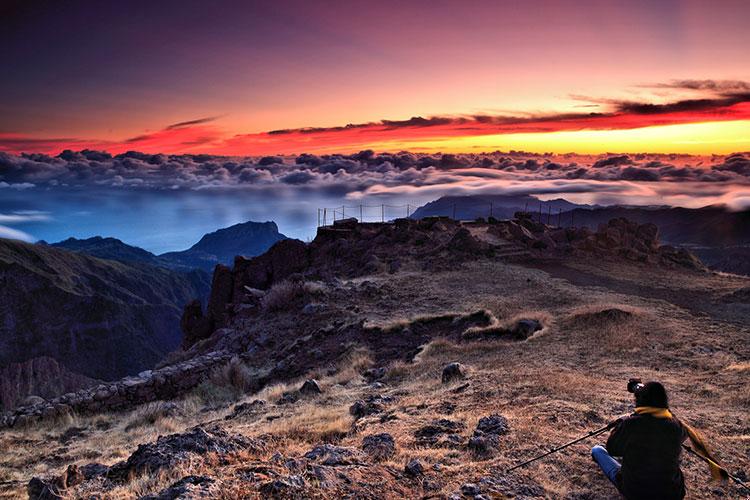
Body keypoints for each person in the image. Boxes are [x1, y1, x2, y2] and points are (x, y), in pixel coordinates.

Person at [591, 381, 727, 499]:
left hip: (636, 493)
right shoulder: (676, 426)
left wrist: (622, 424)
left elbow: (613, 448)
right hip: (672, 494)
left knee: (597, 450)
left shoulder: (631, 424)